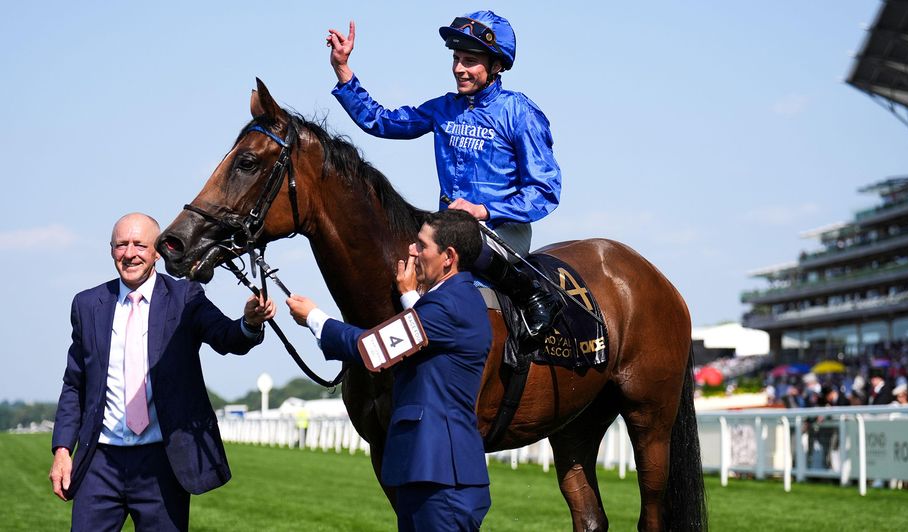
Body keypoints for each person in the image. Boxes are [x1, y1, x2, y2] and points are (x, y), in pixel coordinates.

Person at [326, 10, 563, 337]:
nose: (459, 69)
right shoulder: (444, 108)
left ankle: (533, 295)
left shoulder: (519, 112)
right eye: (456, 58)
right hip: (449, 230)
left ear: (496, 66)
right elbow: (383, 122)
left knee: (462, 244)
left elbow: (545, 190)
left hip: (502, 229)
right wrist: (343, 70)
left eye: (470, 61)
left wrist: (484, 210)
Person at [49, 213, 275, 531]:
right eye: (121, 245)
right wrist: (62, 450)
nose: (129, 253)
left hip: (162, 464)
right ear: (111, 250)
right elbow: (75, 384)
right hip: (100, 463)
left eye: (139, 245)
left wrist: (249, 323)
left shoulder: (186, 297)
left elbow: (227, 337)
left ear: (157, 251)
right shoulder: (87, 305)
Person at [287, 210, 492, 530]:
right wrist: (409, 295)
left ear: (449, 257)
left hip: (441, 478)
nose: (412, 250)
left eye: (422, 245)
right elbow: (425, 335)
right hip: (429, 472)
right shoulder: (453, 299)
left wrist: (315, 319)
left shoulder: (450, 305)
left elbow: (375, 348)